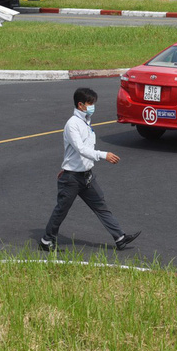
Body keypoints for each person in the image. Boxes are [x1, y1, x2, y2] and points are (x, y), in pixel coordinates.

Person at [39, 87, 140, 252]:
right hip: (71, 179)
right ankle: (46, 240)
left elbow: (77, 152)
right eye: (90, 103)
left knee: (101, 205)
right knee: (61, 210)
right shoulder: (72, 124)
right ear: (80, 105)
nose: (93, 106)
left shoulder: (86, 121)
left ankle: (120, 238)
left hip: (86, 177)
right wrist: (103, 155)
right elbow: (80, 149)